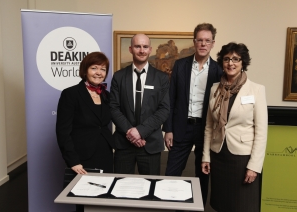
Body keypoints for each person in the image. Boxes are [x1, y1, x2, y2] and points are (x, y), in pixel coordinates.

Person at [201, 42, 268, 212]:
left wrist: (254, 166)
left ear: (243, 62)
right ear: (222, 62)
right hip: (219, 156)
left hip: (242, 159)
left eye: (236, 59)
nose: (231, 63)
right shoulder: (215, 88)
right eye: (226, 59)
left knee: (243, 205)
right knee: (221, 204)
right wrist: (206, 156)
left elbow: (261, 132)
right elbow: (209, 126)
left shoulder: (256, 90)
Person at [162, 23, 222, 205]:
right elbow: (170, 100)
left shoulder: (219, 71)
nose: (203, 44)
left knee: (202, 174)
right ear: (194, 42)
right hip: (181, 127)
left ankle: (199, 207)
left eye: (207, 41)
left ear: (213, 43)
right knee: (171, 173)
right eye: (200, 40)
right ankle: (170, 206)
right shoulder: (180, 65)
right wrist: (168, 129)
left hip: (206, 129)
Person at [110, 34, 170, 175]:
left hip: (150, 145)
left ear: (150, 49)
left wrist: (140, 131)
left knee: (150, 190)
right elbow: (113, 108)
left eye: (145, 47)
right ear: (131, 49)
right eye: (137, 46)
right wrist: (131, 133)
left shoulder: (161, 78)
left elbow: (164, 109)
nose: (141, 50)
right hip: (124, 144)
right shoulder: (119, 77)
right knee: (121, 189)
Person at [56, 52, 115, 175]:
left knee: (104, 192)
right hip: (81, 157)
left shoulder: (106, 95)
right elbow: (63, 131)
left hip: (105, 153)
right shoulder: (71, 94)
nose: (99, 72)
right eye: (94, 68)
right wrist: (73, 161)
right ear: (85, 70)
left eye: (103, 69)